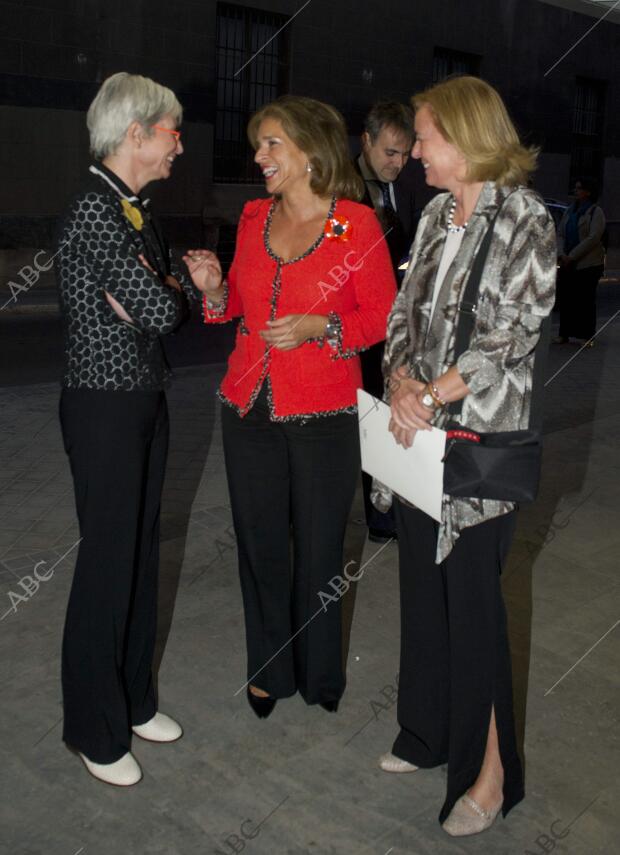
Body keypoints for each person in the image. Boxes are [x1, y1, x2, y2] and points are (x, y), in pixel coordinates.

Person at [372, 76, 556, 836]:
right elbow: (401, 310)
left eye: (425, 138)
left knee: (476, 611)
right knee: (423, 588)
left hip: (479, 446)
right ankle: (424, 731)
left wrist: (436, 392)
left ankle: (491, 773)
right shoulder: (432, 215)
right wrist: (398, 381)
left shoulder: (527, 218)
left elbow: (514, 329)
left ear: (469, 137)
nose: (415, 152)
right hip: (419, 436)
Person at [197, 95, 396, 717]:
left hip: (323, 416)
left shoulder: (352, 225)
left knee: (319, 548)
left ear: (310, 152)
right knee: (260, 546)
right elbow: (235, 305)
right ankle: (268, 670)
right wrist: (213, 290)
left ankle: (320, 672)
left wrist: (321, 327)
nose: (260, 155)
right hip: (247, 410)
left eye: (272, 143)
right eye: (260, 143)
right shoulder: (255, 217)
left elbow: (382, 315)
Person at [56, 72, 214, 786]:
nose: (180, 146)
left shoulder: (134, 207)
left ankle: (134, 698)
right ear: (137, 134)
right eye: (172, 132)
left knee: (142, 556)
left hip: (143, 396)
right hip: (103, 406)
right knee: (106, 563)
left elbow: (158, 298)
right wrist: (167, 292)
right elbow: (162, 311)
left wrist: (165, 290)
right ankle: (93, 725)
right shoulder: (94, 207)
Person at [357, 101, 417, 543]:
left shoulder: (408, 188)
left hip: (396, 325)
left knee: (387, 415)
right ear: (366, 141)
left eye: (404, 153)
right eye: (389, 152)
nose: (397, 163)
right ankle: (377, 513)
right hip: (360, 329)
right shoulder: (346, 188)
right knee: (367, 418)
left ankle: (388, 507)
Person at [556, 177, 606, 346]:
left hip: (588, 263)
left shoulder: (595, 212)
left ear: (587, 192)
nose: (575, 191)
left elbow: (593, 238)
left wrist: (573, 256)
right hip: (567, 262)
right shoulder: (570, 210)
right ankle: (564, 334)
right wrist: (562, 253)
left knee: (585, 299)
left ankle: (587, 336)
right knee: (566, 298)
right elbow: (561, 233)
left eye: (579, 188)